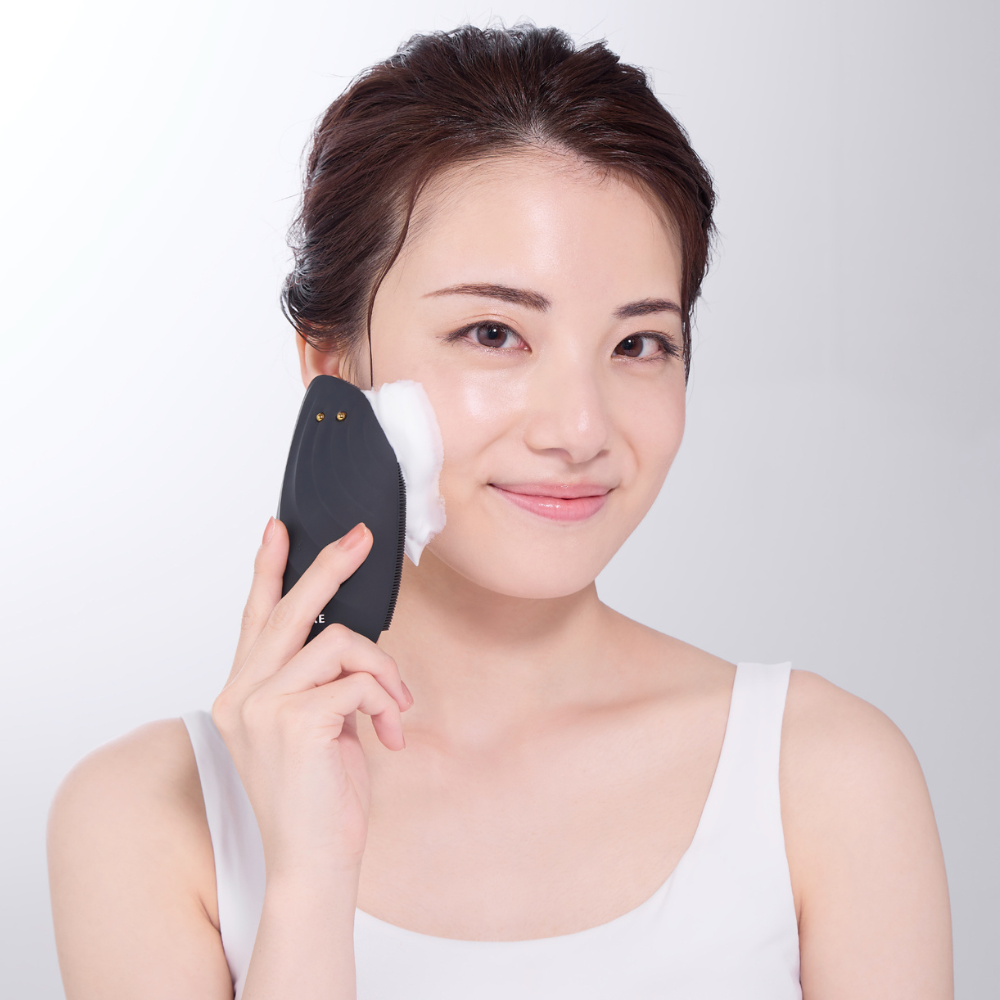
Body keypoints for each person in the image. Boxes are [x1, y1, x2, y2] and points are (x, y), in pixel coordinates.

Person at [46, 23, 953, 1000]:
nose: (580, 428)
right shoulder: (145, 818)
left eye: (639, 344)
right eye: (493, 332)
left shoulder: (823, 778)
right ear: (332, 365)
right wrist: (307, 882)